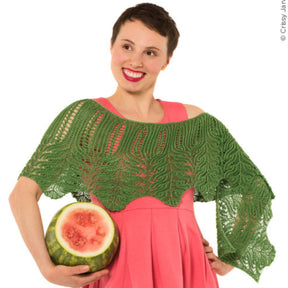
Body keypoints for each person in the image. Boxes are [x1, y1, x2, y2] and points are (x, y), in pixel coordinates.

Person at [9, 3, 275, 288]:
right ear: (111, 47)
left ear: (166, 60)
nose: (135, 61)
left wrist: (231, 256)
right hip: (117, 272)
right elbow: (23, 193)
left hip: (186, 267)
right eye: (127, 46)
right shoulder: (85, 118)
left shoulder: (195, 122)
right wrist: (47, 269)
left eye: (150, 52)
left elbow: (252, 187)